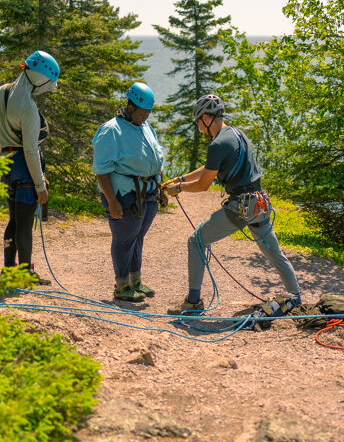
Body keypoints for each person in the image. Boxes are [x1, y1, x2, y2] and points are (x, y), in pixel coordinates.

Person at [164, 94, 301, 320]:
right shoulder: (236, 134)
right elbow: (209, 167)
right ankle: (295, 296)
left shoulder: (217, 144)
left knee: (196, 240)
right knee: (273, 252)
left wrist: (178, 188)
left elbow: (203, 183)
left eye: (199, 122)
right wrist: (179, 179)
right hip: (259, 203)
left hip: (240, 207)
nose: (199, 127)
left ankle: (193, 302)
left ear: (206, 118)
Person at [0, 50, 59, 284]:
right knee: (25, 223)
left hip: (5, 163)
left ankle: (8, 270)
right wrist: (40, 184)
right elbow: (30, 150)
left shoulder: (0, 92)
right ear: (40, 79)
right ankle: (25, 272)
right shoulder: (28, 106)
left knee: (13, 220)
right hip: (24, 167)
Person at [92, 82, 165, 302]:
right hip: (124, 195)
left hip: (148, 193)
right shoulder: (111, 130)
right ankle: (121, 285)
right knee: (124, 239)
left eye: (148, 113)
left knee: (137, 237)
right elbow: (101, 170)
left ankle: (136, 281)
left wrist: (161, 188)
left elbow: (156, 159)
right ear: (130, 106)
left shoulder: (145, 127)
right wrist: (112, 200)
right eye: (143, 112)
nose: (146, 117)